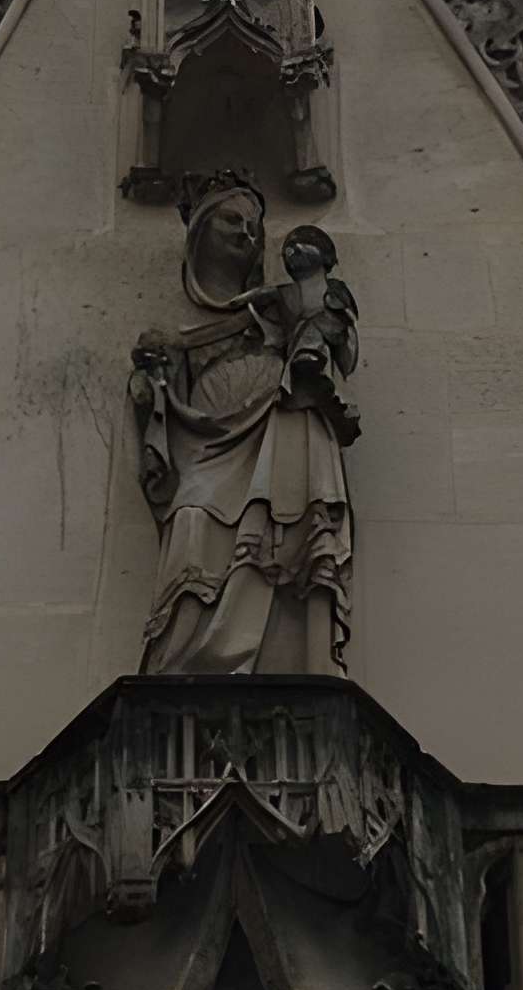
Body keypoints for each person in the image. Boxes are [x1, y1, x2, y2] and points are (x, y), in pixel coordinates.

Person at [129, 176, 361, 675]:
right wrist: (153, 377)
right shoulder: (185, 334)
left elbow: (335, 341)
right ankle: (178, 670)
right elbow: (157, 406)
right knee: (191, 519)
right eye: (231, 221)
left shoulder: (277, 304)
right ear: (199, 233)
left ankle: (299, 664)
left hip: (279, 429)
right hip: (207, 444)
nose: (247, 235)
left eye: (254, 225)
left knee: (292, 527)